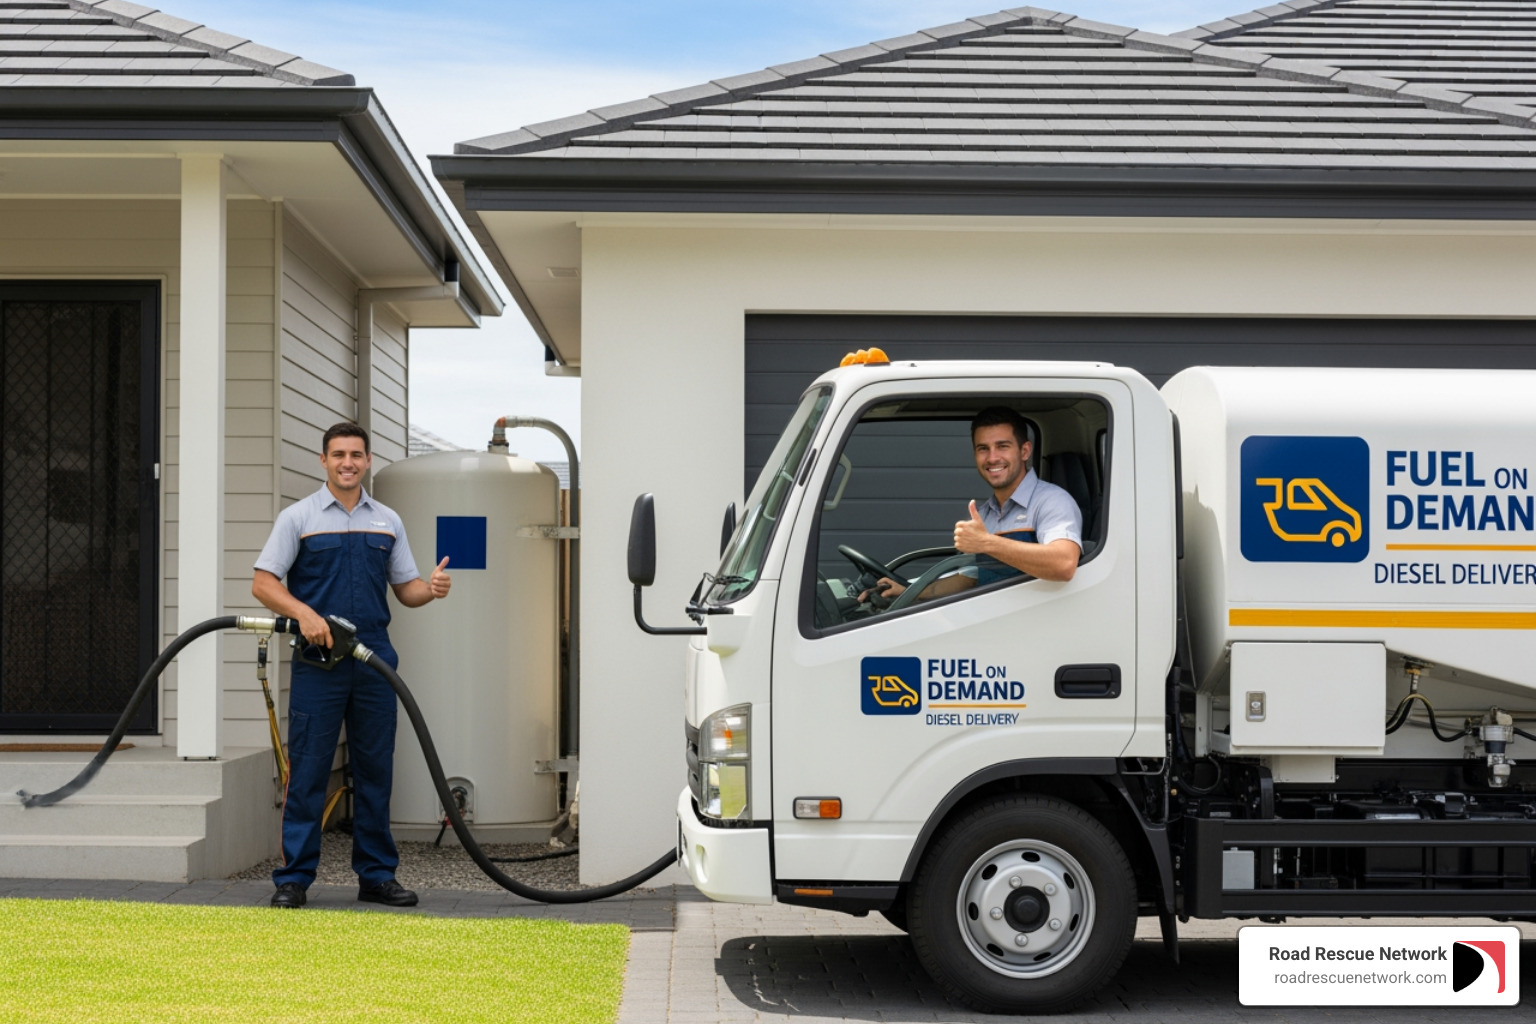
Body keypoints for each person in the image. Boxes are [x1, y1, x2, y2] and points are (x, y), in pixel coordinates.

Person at [252, 422, 451, 909]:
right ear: (323, 461)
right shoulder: (297, 518)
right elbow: (263, 583)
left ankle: (377, 877)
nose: (347, 462)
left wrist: (432, 589)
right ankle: (294, 879)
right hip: (318, 661)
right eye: (338, 454)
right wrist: (303, 613)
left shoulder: (387, 521)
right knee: (309, 770)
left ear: (367, 461)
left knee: (375, 769)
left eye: (356, 455)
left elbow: (406, 591)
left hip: (374, 659)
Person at [862, 406, 1082, 605]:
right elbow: (972, 577)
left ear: (1025, 451)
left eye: (1002, 446)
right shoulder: (985, 513)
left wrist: (986, 543)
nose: (992, 457)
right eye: (983, 448)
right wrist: (909, 591)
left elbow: (1063, 564)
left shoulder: (1052, 501)